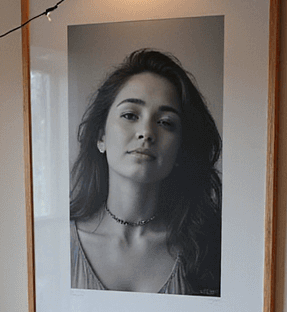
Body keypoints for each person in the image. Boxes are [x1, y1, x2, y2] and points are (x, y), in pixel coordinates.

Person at [69, 48, 222, 296]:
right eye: (130, 115)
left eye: (165, 122)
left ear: (181, 148)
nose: (147, 132)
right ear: (101, 136)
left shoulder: (208, 249)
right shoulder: (57, 244)